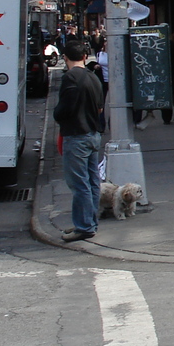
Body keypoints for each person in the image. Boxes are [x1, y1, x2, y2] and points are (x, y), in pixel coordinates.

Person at [54, 41, 105, 242]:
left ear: (65, 58)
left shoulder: (70, 78)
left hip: (76, 134)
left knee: (79, 183)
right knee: (92, 181)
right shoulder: (93, 78)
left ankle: (84, 226)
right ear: (85, 57)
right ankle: (89, 222)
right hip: (93, 134)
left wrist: (57, 115)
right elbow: (100, 108)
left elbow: (65, 108)